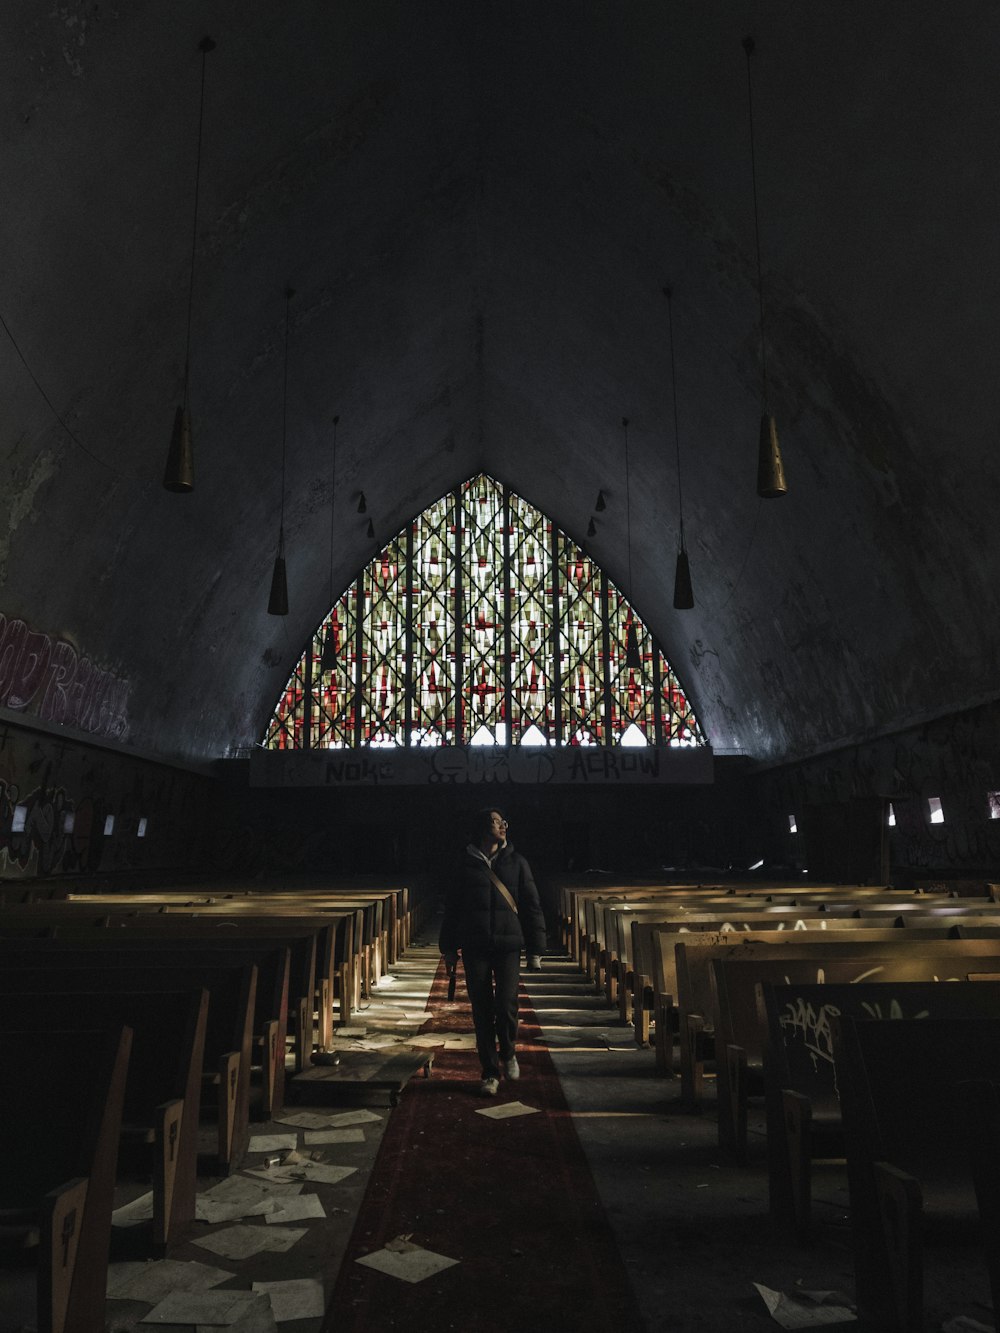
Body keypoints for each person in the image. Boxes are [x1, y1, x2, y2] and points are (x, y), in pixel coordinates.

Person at [439, 807, 547, 1096]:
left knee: (507, 1005)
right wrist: (448, 949)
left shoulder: (518, 863)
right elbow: (453, 909)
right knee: (482, 1011)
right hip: (475, 945)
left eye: (503, 822)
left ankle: (508, 1051)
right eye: (498, 822)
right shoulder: (464, 864)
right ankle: (489, 1072)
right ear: (482, 827)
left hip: (509, 945)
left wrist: (536, 949)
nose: (504, 826)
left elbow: (531, 906)